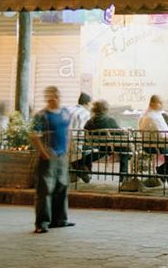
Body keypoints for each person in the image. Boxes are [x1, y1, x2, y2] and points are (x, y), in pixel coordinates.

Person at [28, 86, 73, 233]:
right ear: (47, 97)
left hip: (62, 155)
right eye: (52, 95)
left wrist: (68, 147)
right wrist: (43, 151)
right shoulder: (42, 115)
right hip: (49, 154)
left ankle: (60, 219)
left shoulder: (65, 113)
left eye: (57, 94)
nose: (55, 97)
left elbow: (68, 131)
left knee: (62, 186)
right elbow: (34, 135)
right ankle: (42, 223)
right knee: (45, 189)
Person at [72, 99, 132, 184]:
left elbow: (86, 132)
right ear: (105, 109)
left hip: (98, 146)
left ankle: (80, 164)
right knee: (125, 151)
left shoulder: (89, 122)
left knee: (102, 150)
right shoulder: (110, 120)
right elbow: (119, 133)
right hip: (110, 145)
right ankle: (123, 176)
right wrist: (125, 131)